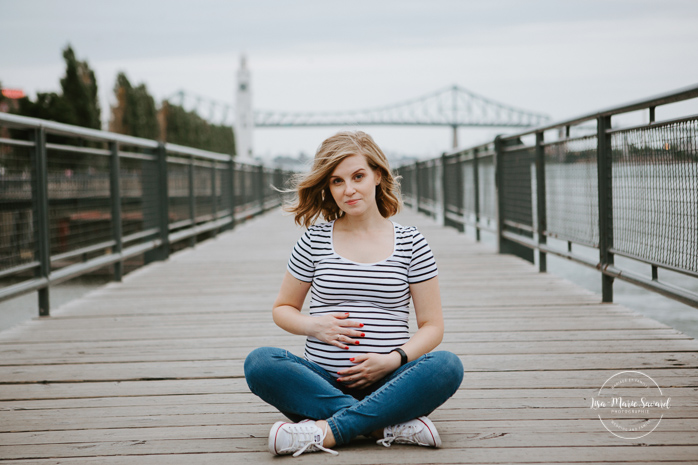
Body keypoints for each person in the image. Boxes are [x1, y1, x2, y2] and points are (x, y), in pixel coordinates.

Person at [244, 131, 463, 457]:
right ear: (328, 187)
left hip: (392, 381)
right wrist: (313, 325)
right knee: (260, 362)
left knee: (446, 366)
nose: (348, 190)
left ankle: (328, 430)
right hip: (321, 384)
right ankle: (385, 424)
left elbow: (433, 326)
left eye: (358, 176)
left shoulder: (412, 243)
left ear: (377, 174)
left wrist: (393, 359)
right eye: (336, 181)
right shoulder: (314, 240)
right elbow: (283, 308)